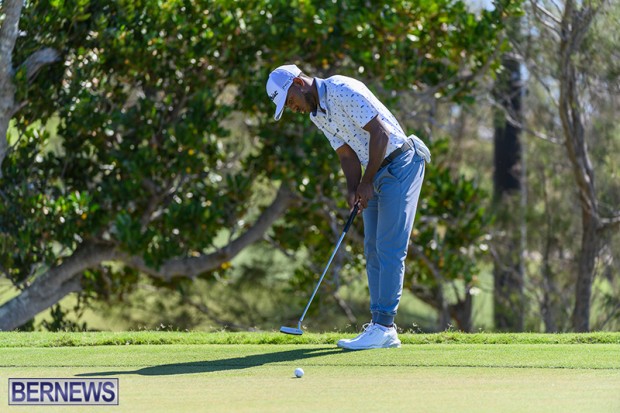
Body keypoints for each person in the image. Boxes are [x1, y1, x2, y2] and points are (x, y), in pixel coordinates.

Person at [266, 64, 431, 350]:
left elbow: (380, 134)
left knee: (389, 247)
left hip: (401, 163)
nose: (292, 108)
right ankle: (379, 326)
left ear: (298, 83)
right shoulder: (317, 114)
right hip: (376, 170)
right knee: (372, 248)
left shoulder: (342, 90)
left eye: (290, 100)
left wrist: (366, 182)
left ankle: (385, 327)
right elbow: (346, 155)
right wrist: (353, 189)